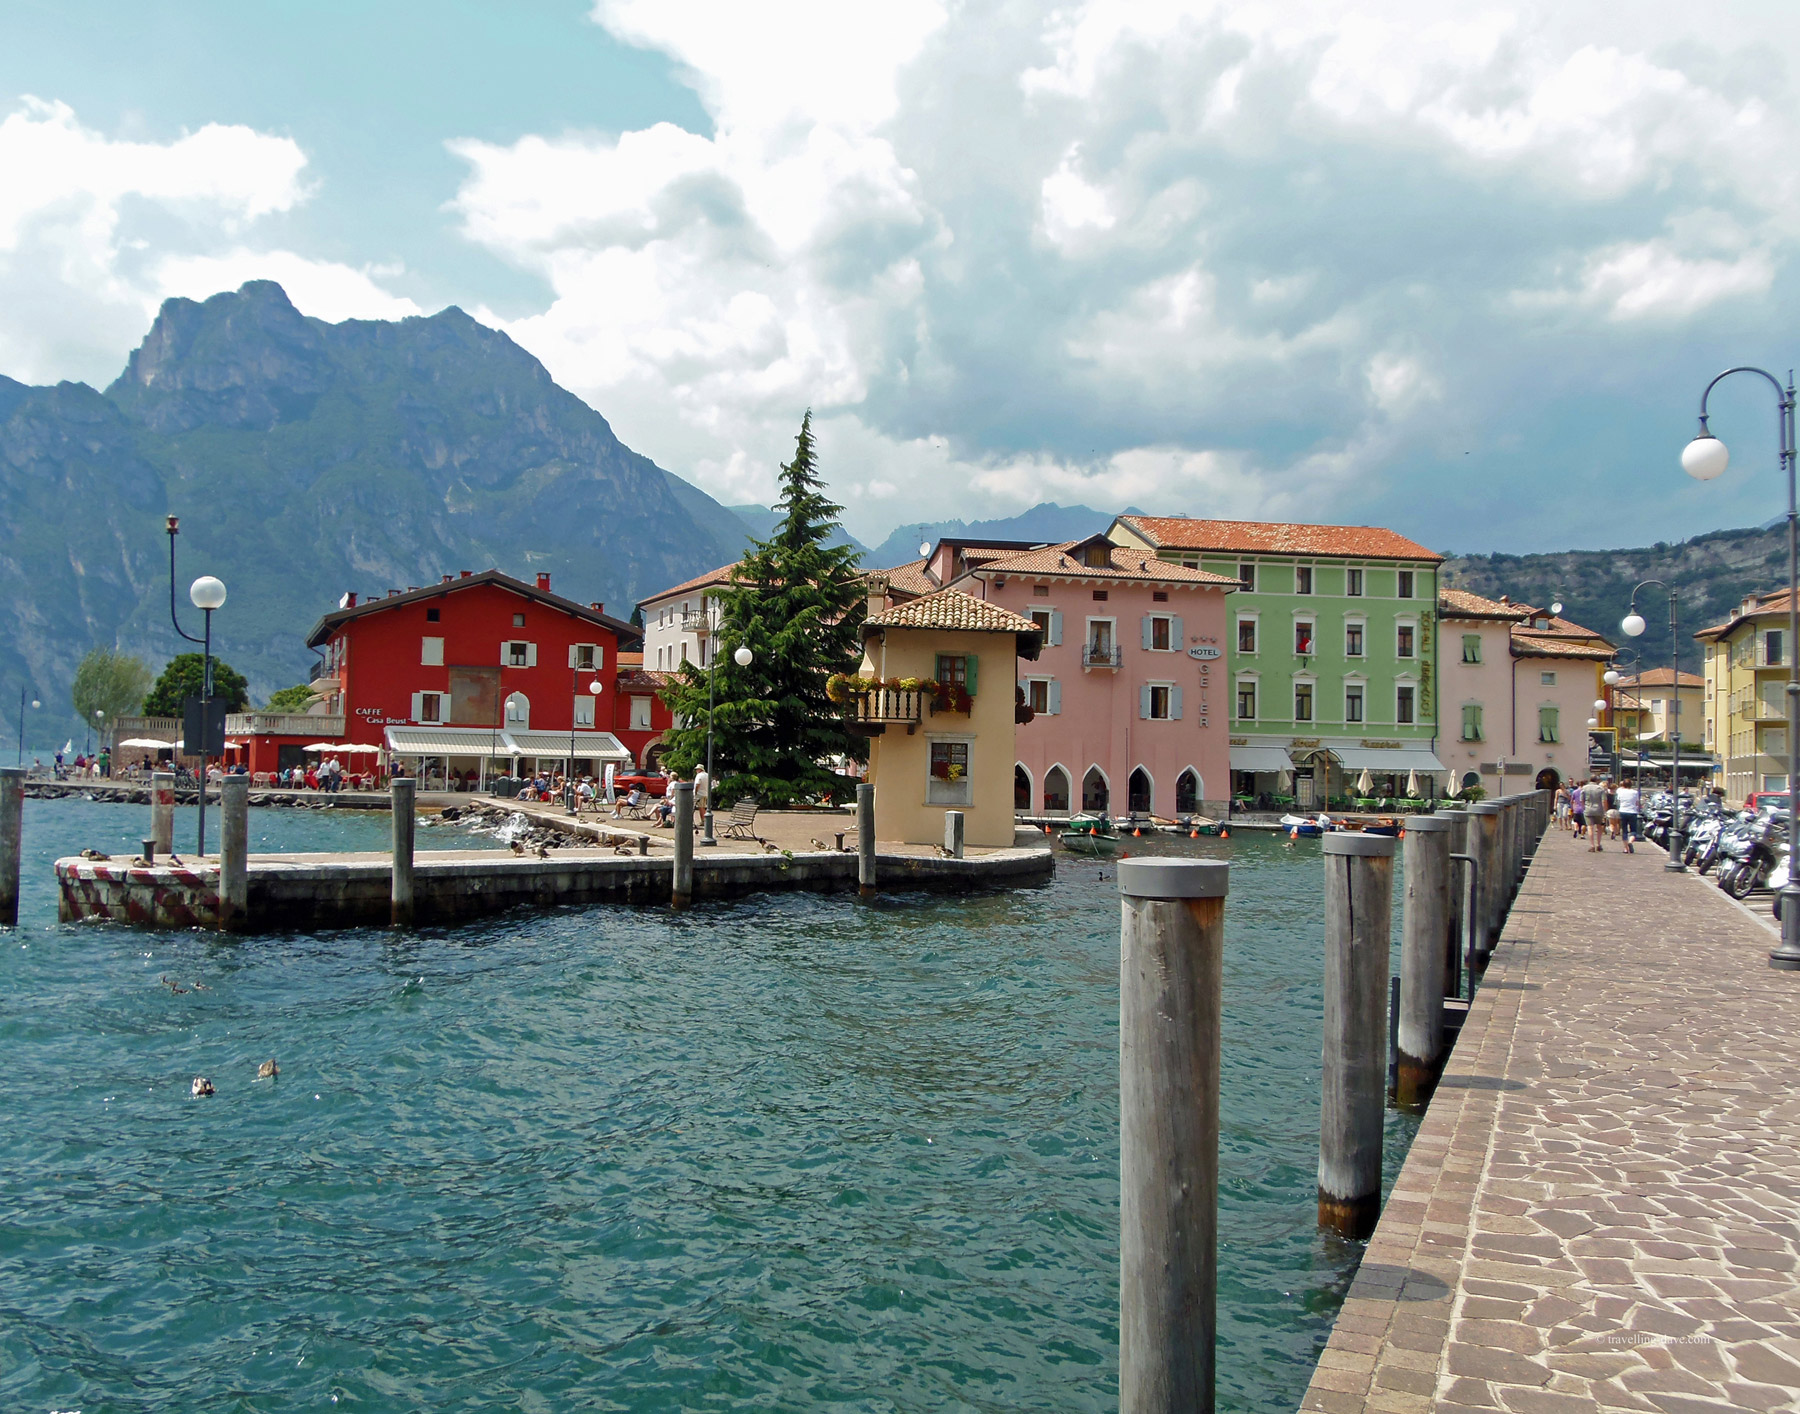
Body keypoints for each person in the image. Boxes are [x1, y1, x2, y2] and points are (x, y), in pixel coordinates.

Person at [1581, 776, 1609, 852]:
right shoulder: (1600, 789)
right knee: (1599, 827)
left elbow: (1581, 800)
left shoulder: (1584, 788)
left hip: (1588, 809)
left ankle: (1592, 845)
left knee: (1590, 827)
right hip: (1599, 810)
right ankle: (1598, 844)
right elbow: (1604, 801)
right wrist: (1605, 811)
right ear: (1597, 780)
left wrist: (1584, 807)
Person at [1616, 781, 1641, 854]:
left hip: (1623, 811)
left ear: (1623, 785)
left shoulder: (1620, 792)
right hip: (1632, 812)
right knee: (1633, 830)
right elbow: (1637, 803)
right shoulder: (1635, 792)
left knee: (1624, 830)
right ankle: (1630, 842)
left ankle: (1626, 848)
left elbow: (1618, 801)